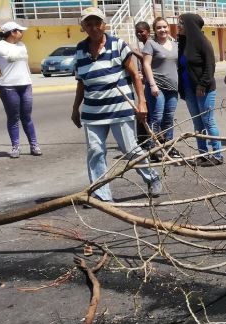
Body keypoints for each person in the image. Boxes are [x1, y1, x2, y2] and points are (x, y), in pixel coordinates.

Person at [70, 7, 162, 202]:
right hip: (92, 112)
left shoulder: (118, 45)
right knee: (95, 152)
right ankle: (102, 195)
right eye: (89, 24)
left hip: (120, 108)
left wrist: (142, 102)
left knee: (130, 150)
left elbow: (135, 75)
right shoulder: (80, 49)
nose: (93, 27)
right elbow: (81, 82)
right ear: (83, 27)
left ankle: (152, 178)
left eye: (97, 23)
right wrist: (75, 109)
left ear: (104, 25)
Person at [0, 21, 41, 158]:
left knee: (27, 117)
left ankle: (34, 145)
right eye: (20, 31)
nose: (22, 34)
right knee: (13, 117)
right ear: (12, 32)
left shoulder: (22, 46)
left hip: (25, 84)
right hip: (8, 86)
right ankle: (15, 147)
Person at [177, 13, 223, 166]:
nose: (178, 26)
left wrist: (202, 85)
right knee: (197, 124)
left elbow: (210, 67)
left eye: (181, 23)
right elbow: (181, 67)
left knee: (208, 121)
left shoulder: (203, 42)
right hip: (189, 89)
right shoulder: (182, 43)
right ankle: (203, 154)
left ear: (190, 25)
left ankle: (217, 155)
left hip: (203, 89)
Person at [140, 17, 179, 157]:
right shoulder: (151, 44)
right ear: (154, 30)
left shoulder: (175, 44)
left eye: (164, 27)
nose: (162, 30)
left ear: (168, 27)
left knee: (169, 118)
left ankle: (169, 146)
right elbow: (146, 65)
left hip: (173, 87)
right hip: (157, 87)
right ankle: (152, 149)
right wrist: (152, 85)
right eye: (159, 28)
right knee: (156, 117)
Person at [131, 21, 152, 148]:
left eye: (142, 31)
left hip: (154, 85)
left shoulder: (151, 43)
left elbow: (146, 59)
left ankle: (148, 141)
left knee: (147, 113)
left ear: (148, 32)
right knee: (141, 111)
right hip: (146, 83)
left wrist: (133, 51)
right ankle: (143, 140)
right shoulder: (144, 45)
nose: (139, 34)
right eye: (137, 31)